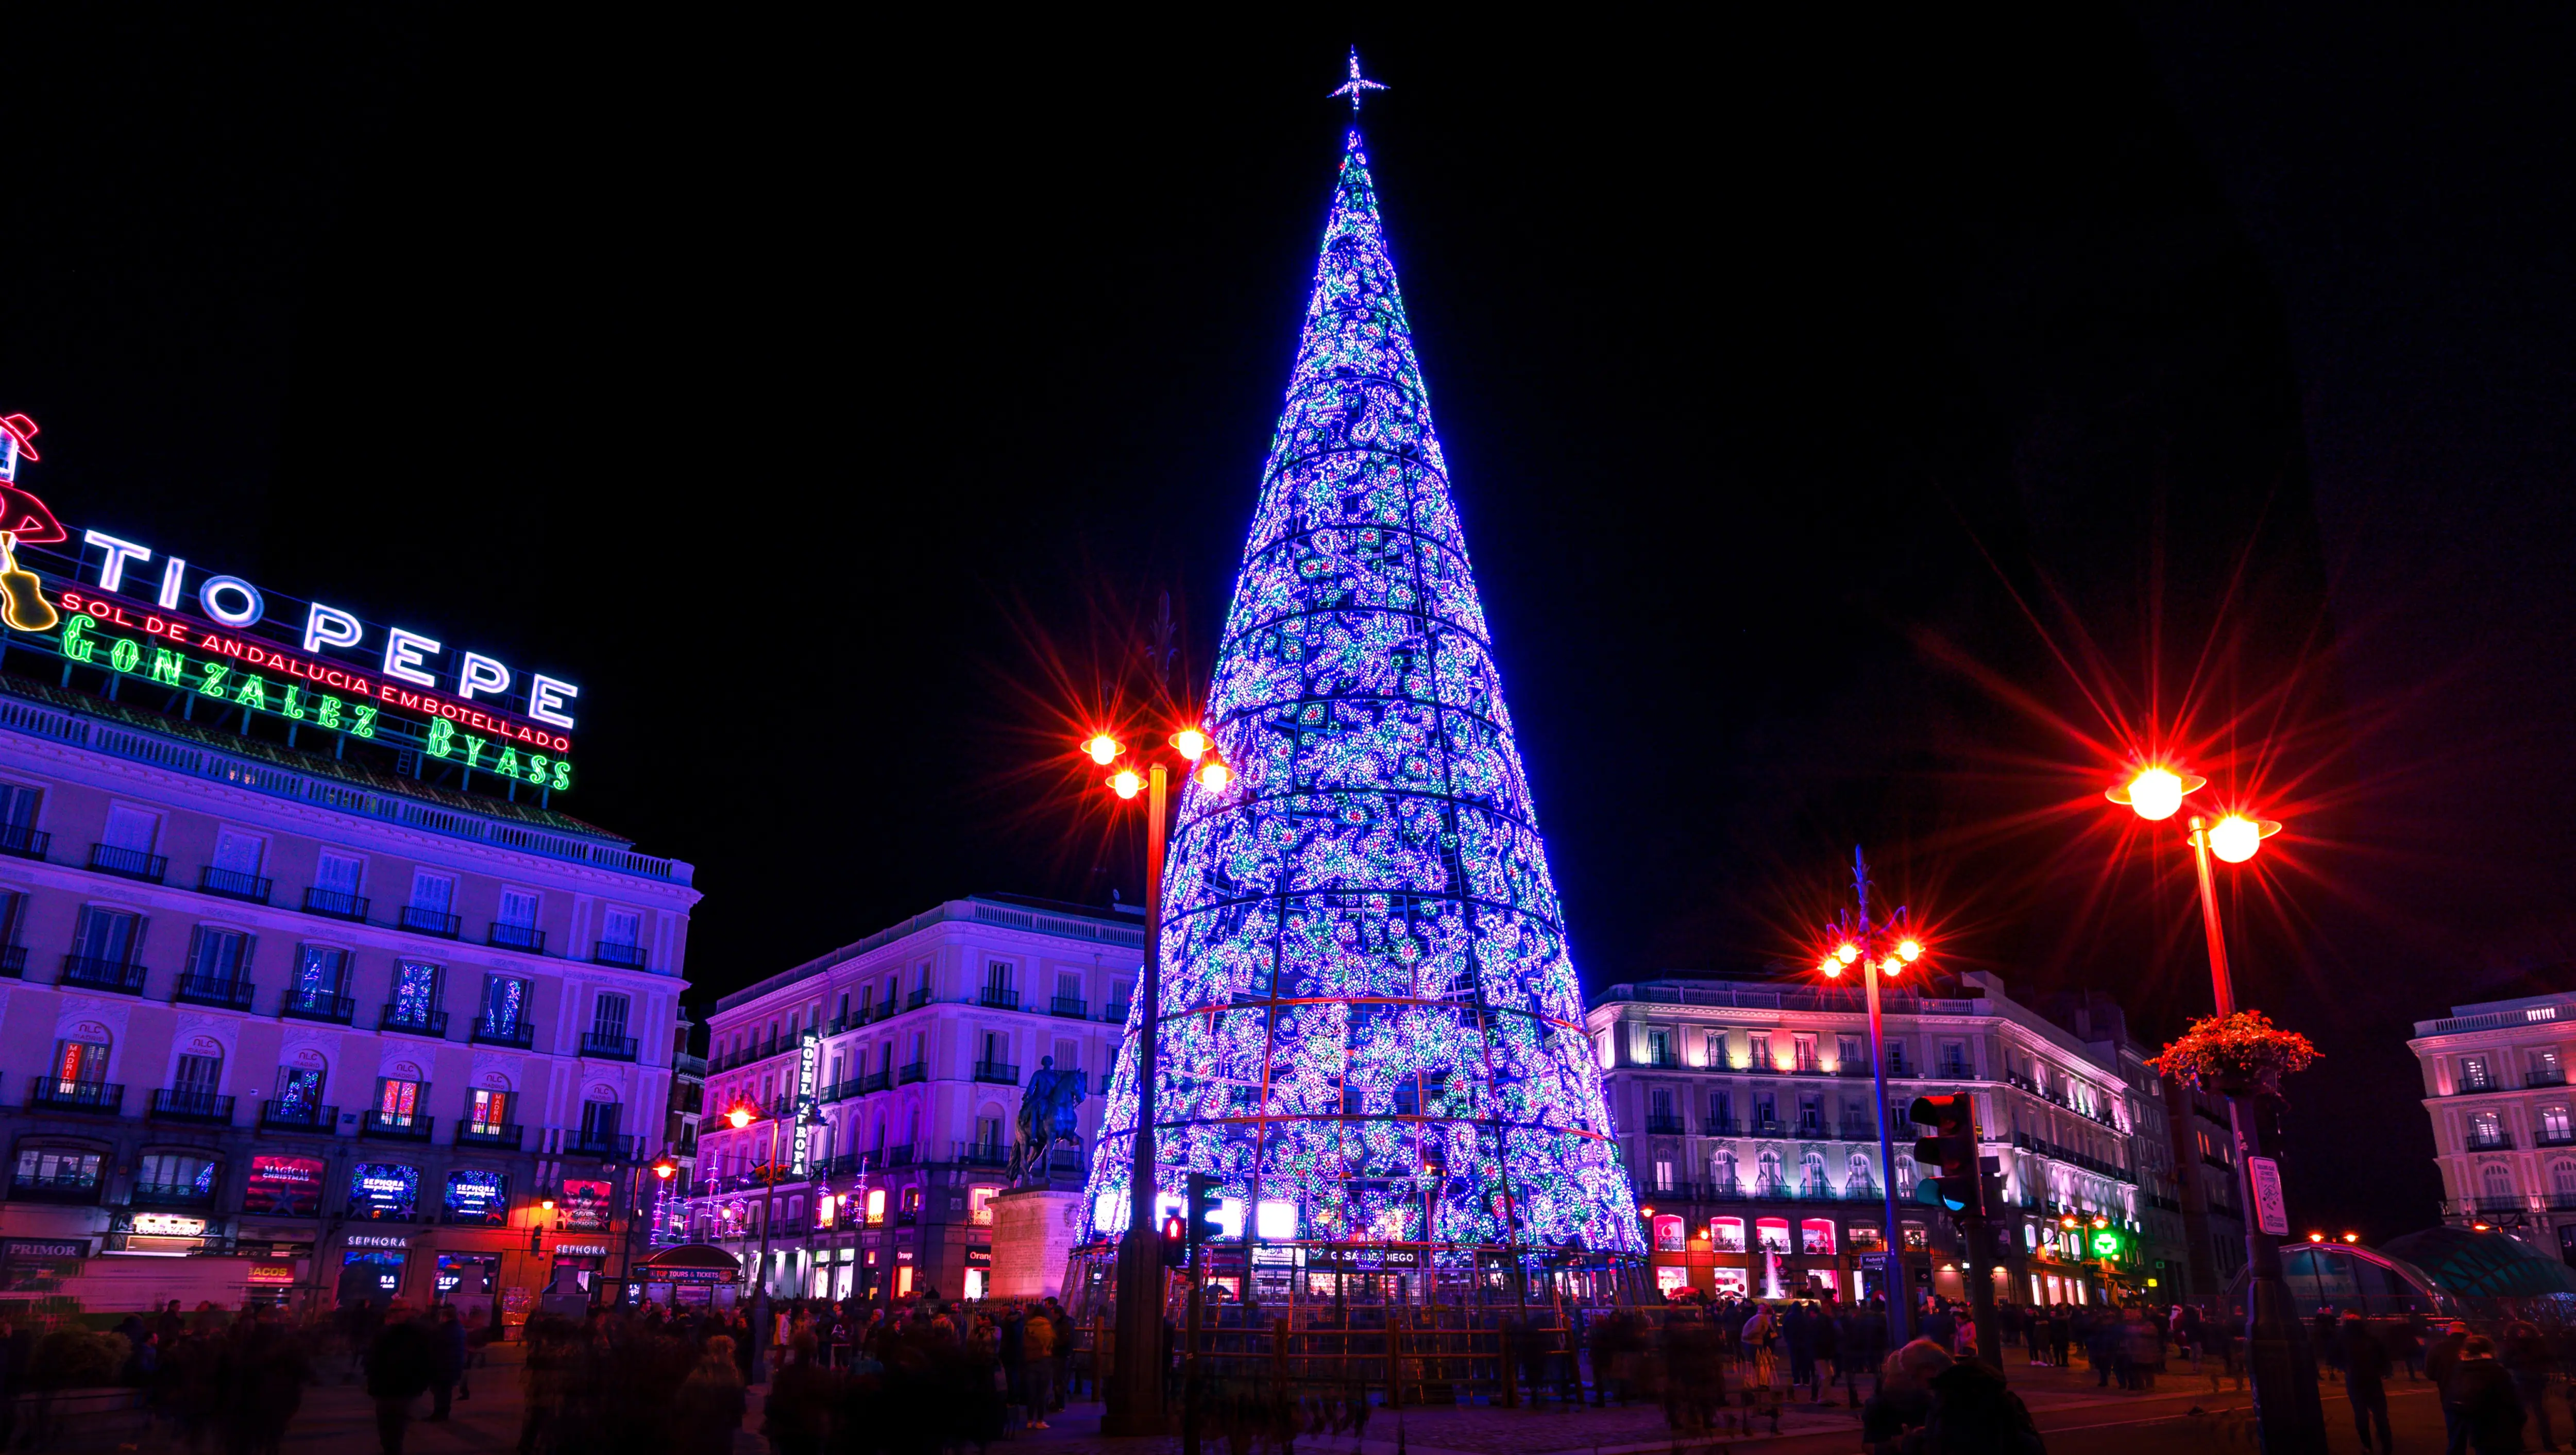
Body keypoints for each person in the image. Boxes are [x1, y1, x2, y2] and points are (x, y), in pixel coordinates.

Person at [363, 1302, 435, 1455]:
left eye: (396, 1311)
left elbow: (427, 1360)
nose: (393, 1314)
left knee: (392, 1427)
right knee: (391, 1426)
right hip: (395, 1387)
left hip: (398, 1387)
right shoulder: (418, 1332)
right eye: (392, 1311)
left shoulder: (413, 1333)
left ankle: (392, 1450)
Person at [1860, 1338, 1950, 1454]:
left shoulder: (1931, 1398)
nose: (1913, 1381)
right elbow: (1868, 1445)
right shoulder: (1878, 1404)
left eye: (1912, 1376)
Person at [677, 1334, 749, 1455]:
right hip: (721, 1432)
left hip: (698, 1430)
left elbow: (682, 1401)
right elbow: (739, 1407)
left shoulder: (698, 1372)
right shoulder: (732, 1375)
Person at [2461, 1334, 2531, 1455]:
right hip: (2502, 1429)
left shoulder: (2461, 1370)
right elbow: (2514, 1402)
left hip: (2478, 1429)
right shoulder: (2496, 1371)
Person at [2344, 1311, 2396, 1453]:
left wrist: (2346, 1368)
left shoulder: (2345, 1340)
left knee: (2361, 1414)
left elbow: (2334, 1356)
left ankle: (2367, 1445)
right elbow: (2383, 1356)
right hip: (2372, 1380)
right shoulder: (2372, 1339)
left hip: (2356, 1381)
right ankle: (2387, 1445)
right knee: (2380, 1415)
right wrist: (2384, 1370)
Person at [2432, 1321, 2474, 1455]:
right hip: (2477, 1394)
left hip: (2450, 1394)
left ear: (2449, 1332)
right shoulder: (2476, 1346)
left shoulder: (2439, 1348)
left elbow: (2430, 1372)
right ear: (2466, 1332)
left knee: (2455, 1434)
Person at [427, 1304, 466, 1420]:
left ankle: (439, 1413)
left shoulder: (445, 1330)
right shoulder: (457, 1328)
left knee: (441, 1390)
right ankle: (443, 1413)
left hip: (444, 1364)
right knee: (445, 1390)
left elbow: (438, 1346)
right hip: (453, 1363)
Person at [1023, 1298, 1057, 1428]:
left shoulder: (1028, 1325)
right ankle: (1040, 1421)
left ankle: (1029, 1421)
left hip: (1030, 1360)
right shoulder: (1047, 1326)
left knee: (1031, 1392)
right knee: (1042, 1393)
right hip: (1044, 1360)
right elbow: (1049, 1344)